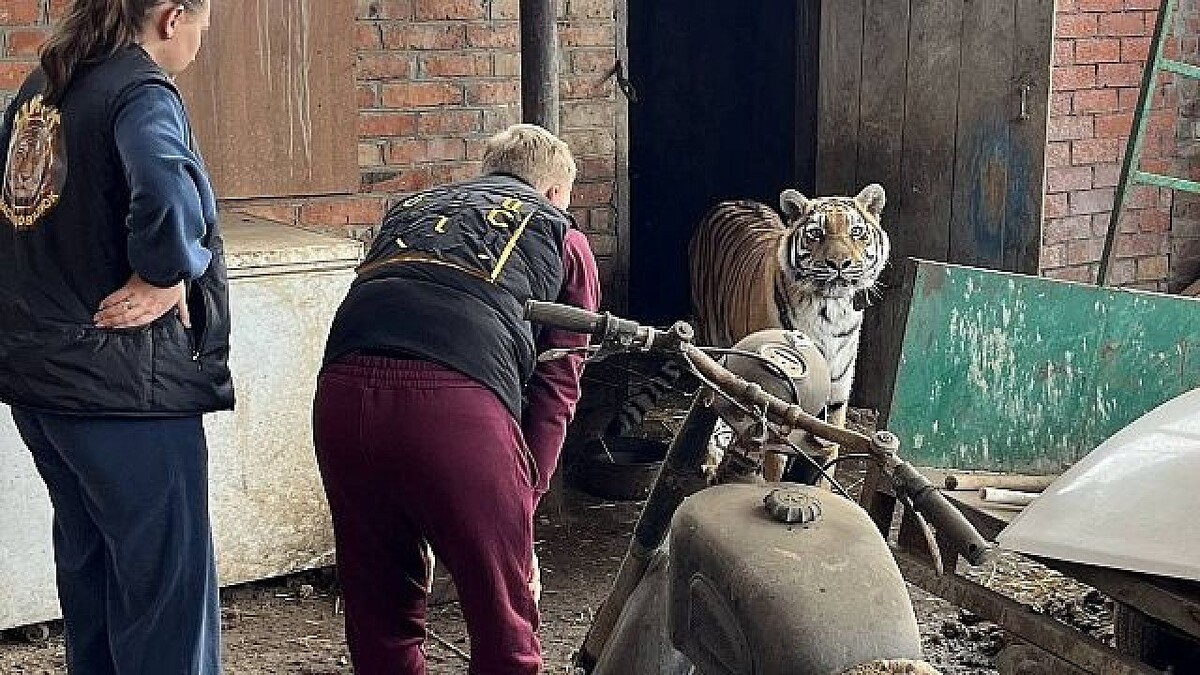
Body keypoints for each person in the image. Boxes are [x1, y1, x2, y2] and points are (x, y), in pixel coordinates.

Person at [314, 123, 600, 674]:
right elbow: (558, 382)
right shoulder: (562, 233)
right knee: (502, 622)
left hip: (341, 394)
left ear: (487, 174)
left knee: (381, 613)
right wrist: (527, 498)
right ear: (557, 191)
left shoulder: (411, 212)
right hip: (456, 407)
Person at [0, 1, 229, 673]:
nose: (199, 39)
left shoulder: (48, 83)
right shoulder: (139, 89)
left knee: (94, 578)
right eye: (201, 24)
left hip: (42, 383)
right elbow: (163, 188)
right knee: (166, 595)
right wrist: (168, 271)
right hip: (123, 388)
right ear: (170, 16)